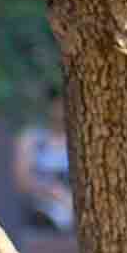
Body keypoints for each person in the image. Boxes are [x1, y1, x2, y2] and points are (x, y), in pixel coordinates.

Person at [12, 90, 74, 235]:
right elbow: (22, 180)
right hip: (39, 207)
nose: (61, 110)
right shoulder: (32, 138)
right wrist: (52, 191)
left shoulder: (81, 140)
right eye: (57, 103)